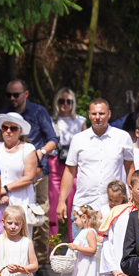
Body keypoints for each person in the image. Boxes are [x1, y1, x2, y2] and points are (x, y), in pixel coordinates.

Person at [2, 80, 59, 276]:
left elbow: (53, 139)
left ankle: (40, 263)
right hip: (13, 175)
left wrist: (41, 152)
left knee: (39, 218)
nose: (12, 98)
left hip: (37, 174)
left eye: (16, 95)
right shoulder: (6, 116)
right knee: (10, 218)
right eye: (9, 94)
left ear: (26, 94)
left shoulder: (38, 112)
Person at [57, 99, 134, 239]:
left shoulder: (122, 137)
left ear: (109, 114)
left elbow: (130, 169)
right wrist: (62, 201)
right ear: (89, 115)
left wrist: (132, 196)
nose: (98, 117)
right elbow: (69, 172)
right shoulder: (79, 139)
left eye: (101, 113)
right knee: (82, 255)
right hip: (84, 206)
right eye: (94, 113)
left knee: (111, 256)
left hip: (113, 206)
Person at [0, 112, 37, 240]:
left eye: (13, 128)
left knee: (19, 238)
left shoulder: (28, 149)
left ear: (20, 131)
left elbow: (29, 177)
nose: (8, 131)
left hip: (20, 199)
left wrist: (5, 189)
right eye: (5, 127)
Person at [49, 88, 86, 238]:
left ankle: (75, 245)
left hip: (73, 166)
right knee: (53, 209)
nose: (65, 104)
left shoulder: (80, 121)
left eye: (69, 101)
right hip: (55, 163)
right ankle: (52, 246)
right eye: (62, 101)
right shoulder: (52, 121)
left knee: (74, 208)